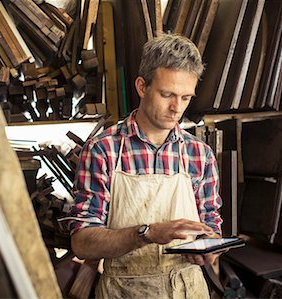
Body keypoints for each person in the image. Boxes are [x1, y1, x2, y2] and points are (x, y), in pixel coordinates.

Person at [69, 34, 223, 298]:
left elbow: (212, 226)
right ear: (142, 87)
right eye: (167, 94)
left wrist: (210, 248)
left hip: (188, 290)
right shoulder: (104, 150)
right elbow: (82, 243)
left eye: (186, 97)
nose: (177, 108)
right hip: (124, 291)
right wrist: (147, 233)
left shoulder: (200, 154)